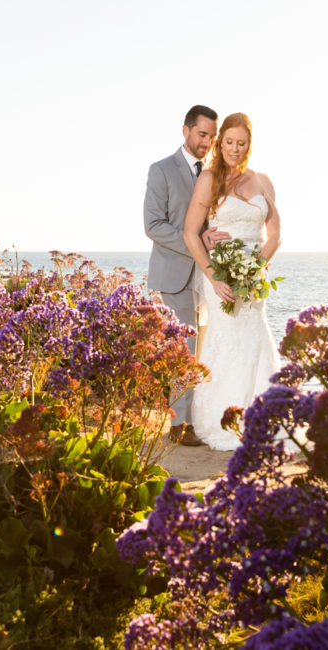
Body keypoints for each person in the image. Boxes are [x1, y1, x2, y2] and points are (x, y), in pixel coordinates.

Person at [182, 112, 281, 451]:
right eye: (229, 142)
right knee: (225, 340)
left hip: (253, 280)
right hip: (220, 278)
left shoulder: (263, 181)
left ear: (249, 145)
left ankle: (259, 416)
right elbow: (190, 234)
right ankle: (220, 417)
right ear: (220, 142)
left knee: (255, 337)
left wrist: (256, 270)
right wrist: (213, 275)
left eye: (241, 143)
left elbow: (275, 234)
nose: (235, 149)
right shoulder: (209, 179)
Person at [144, 105, 230, 446]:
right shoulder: (161, 170)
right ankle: (179, 426)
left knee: (209, 348)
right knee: (185, 349)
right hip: (176, 272)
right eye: (201, 134)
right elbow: (153, 225)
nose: (206, 142)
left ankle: (202, 417)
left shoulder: (215, 173)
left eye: (212, 136)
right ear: (185, 130)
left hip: (209, 274)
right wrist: (194, 242)